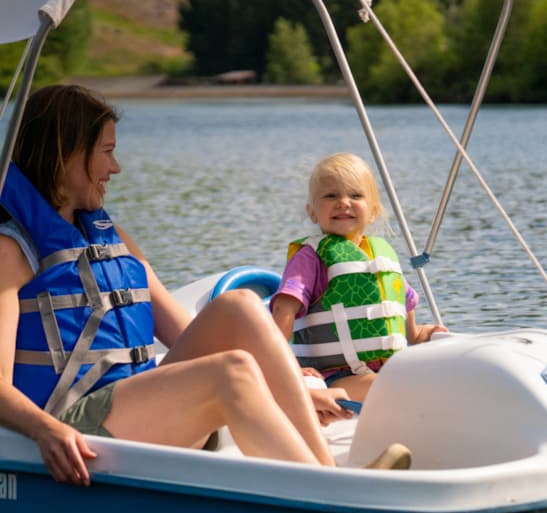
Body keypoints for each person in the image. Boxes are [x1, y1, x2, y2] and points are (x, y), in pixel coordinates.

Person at [0, 86, 412, 485]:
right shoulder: (12, 250)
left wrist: (297, 394)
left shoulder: (114, 239)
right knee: (230, 371)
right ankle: (330, 495)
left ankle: (329, 476)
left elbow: (192, 334)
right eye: (107, 151)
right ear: (64, 154)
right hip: (76, 428)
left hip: (143, 410)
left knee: (240, 306)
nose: (116, 168)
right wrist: (43, 431)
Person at [271, 152, 447, 403]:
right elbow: (283, 308)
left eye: (355, 195)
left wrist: (416, 336)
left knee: (443, 380)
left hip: (384, 371)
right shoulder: (310, 257)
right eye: (331, 195)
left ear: (373, 211)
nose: (343, 202)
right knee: (401, 388)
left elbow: (401, 301)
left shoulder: (380, 255)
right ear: (312, 212)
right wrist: (284, 368)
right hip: (334, 377)